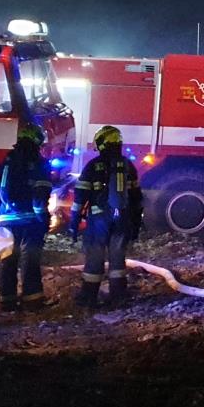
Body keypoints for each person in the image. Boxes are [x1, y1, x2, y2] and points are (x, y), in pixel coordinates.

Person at [0, 123, 53, 311]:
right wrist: (43, 220)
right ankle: (33, 301)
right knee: (30, 260)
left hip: (4, 220)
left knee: (7, 260)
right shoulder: (39, 164)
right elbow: (39, 197)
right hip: (30, 221)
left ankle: (6, 301)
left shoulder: (5, 164)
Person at [70, 125, 143, 307]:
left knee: (95, 256)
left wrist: (74, 222)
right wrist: (135, 224)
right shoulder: (128, 165)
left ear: (102, 143)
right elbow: (136, 198)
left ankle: (88, 297)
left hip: (98, 220)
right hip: (122, 219)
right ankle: (119, 296)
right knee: (118, 258)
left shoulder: (93, 166)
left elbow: (80, 197)